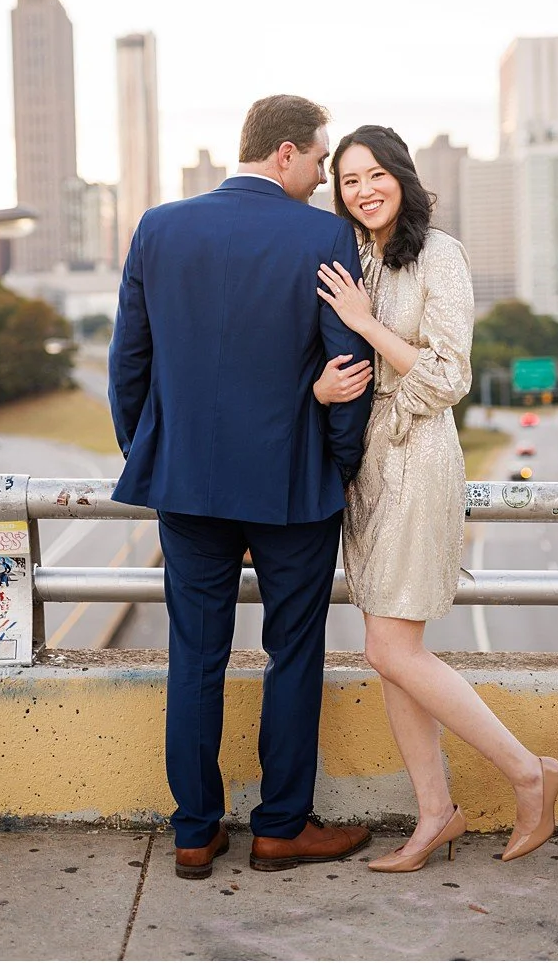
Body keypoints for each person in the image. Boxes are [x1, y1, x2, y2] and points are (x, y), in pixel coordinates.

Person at [109, 94, 376, 880]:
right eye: (322, 159)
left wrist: (155, 451)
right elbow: (347, 370)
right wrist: (338, 461)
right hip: (294, 485)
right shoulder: (325, 235)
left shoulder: (159, 225)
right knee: (293, 652)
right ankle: (280, 828)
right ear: (286, 152)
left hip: (187, 482)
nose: (326, 177)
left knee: (194, 655)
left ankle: (195, 831)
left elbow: (130, 362)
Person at [313, 124, 558, 872]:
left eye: (372, 174)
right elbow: (335, 355)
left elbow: (448, 375)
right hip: (368, 465)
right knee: (393, 654)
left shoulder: (440, 253)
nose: (361, 189)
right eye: (348, 179)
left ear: (401, 173)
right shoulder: (356, 255)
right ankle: (436, 814)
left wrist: (366, 324)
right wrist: (323, 386)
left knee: (390, 646)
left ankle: (530, 773)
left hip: (419, 456)